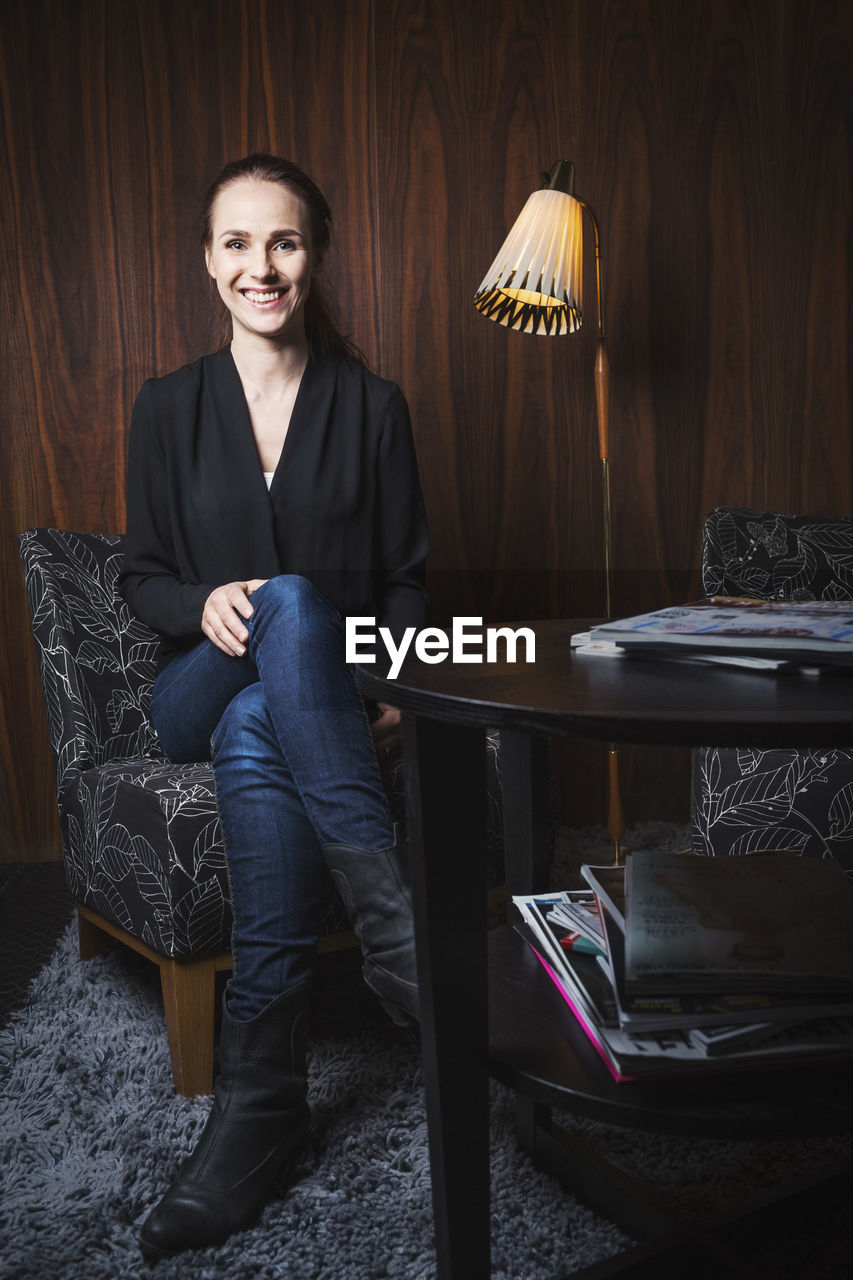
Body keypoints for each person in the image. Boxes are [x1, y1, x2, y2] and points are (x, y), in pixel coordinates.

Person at [118, 153, 429, 1258]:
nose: (263, 264)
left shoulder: (373, 407)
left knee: (269, 722)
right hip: (194, 687)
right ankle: (389, 911)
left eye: (285, 241)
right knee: (275, 625)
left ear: (316, 254)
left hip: (315, 698)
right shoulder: (165, 406)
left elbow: (403, 590)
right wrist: (199, 600)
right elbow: (139, 574)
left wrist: (381, 686)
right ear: (209, 262)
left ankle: (259, 1109)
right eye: (239, 242)